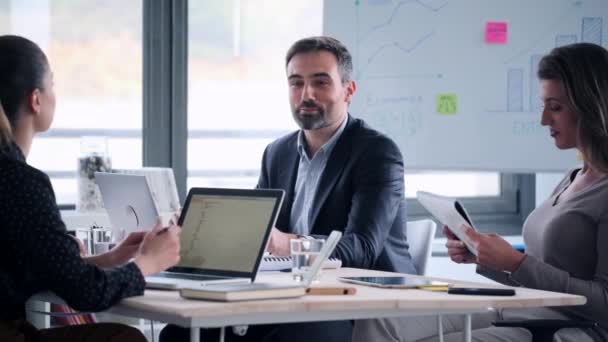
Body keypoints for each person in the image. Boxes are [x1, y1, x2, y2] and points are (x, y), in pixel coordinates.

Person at [159, 36, 415, 342]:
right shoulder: (277, 152)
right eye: (296, 83)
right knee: (179, 334)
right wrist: (198, 230)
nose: (307, 94)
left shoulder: (376, 152)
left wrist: (288, 245)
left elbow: (361, 248)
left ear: (349, 90)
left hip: (362, 301)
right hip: (292, 294)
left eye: (321, 82)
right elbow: (258, 234)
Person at [353, 42, 608, 342]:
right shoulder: (573, 177)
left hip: (574, 329)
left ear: (591, 106)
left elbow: (604, 303)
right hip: (530, 312)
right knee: (380, 322)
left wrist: (514, 262)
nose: (544, 120)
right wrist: (483, 258)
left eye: (555, 107)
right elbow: (539, 273)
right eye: (544, 106)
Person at [0, 35, 182, 342]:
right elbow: (87, 294)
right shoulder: (20, 181)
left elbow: (18, 272)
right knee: (123, 338)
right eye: (53, 85)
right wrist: (149, 262)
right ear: (36, 99)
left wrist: (109, 259)